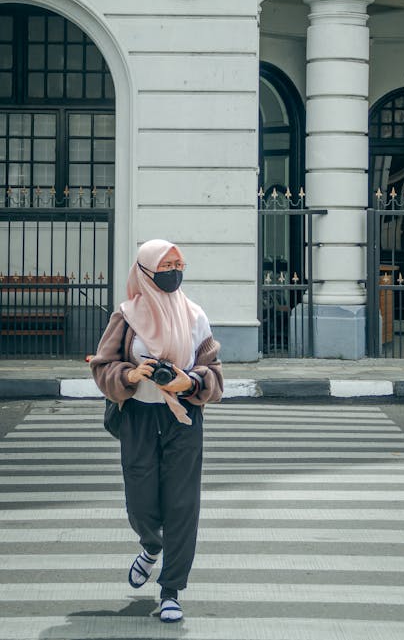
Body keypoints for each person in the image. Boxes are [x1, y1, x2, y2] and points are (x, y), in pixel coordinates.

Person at [91, 238, 223, 623]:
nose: (174, 273)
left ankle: (171, 590)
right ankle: (150, 546)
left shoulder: (195, 315)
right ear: (145, 271)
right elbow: (102, 366)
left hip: (183, 417)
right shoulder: (126, 316)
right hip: (138, 417)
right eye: (166, 266)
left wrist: (190, 383)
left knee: (183, 506)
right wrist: (130, 374)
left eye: (179, 265)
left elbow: (214, 372)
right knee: (141, 501)